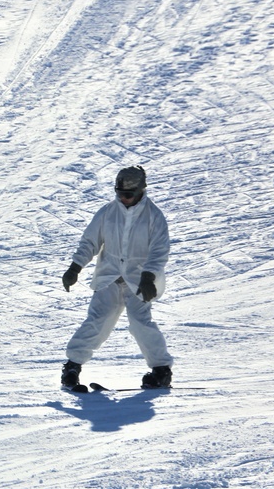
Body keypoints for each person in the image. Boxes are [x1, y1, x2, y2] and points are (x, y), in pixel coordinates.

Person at [60, 165, 174, 389]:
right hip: (109, 277)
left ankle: (161, 371)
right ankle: (72, 368)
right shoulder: (107, 213)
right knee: (97, 320)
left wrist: (149, 276)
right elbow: (90, 242)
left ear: (141, 191)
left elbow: (159, 251)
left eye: (128, 195)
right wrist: (75, 267)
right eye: (119, 194)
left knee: (141, 323)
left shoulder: (154, 217)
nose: (123, 199)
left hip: (139, 281)